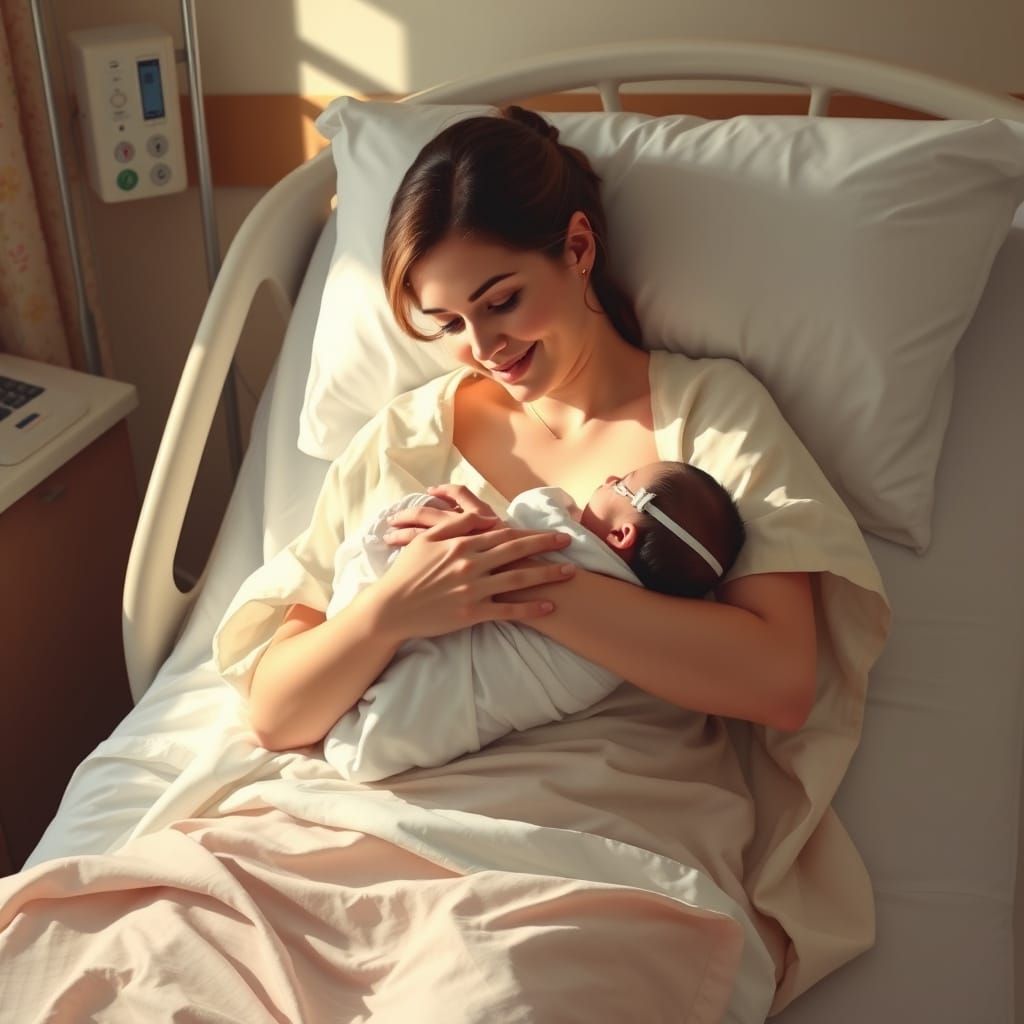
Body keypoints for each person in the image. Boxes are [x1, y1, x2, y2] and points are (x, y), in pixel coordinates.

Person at [207, 105, 889, 1021]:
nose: (484, 348)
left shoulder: (707, 417)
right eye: (447, 321)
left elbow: (779, 680)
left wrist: (531, 586)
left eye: (501, 300)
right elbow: (276, 710)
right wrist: (390, 613)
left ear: (576, 248)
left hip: (585, 835)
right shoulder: (407, 440)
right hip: (354, 822)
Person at [323, 460, 745, 781]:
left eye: (621, 482)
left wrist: (489, 532)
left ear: (621, 536)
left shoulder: (559, 536)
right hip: (403, 723)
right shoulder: (621, 651)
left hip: (459, 651)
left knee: (423, 514)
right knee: (417, 706)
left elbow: (531, 512)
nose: (609, 478)